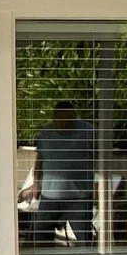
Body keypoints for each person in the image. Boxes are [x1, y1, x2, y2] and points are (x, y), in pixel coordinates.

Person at [30, 100, 98, 246]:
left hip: (78, 197)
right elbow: (40, 159)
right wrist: (36, 185)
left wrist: (96, 187)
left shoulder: (87, 132)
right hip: (49, 196)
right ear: (55, 118)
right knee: (40, 236)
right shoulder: (47, 133)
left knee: (85, 239)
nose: (65, 122)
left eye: (69, 118)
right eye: (61, 118)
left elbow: (100, 159)